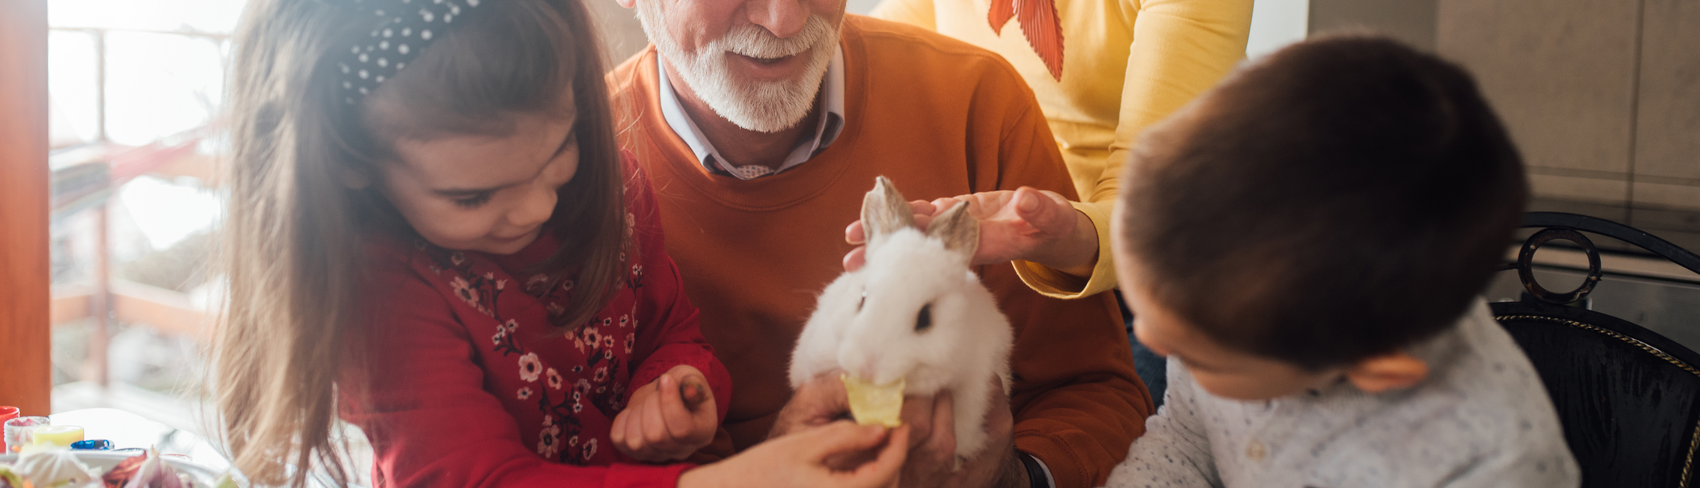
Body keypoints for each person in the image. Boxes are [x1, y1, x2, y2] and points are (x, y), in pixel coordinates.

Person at [212, 0, 907, 486]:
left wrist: (677, 385)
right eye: (472, 198)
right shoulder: (383, 290)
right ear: (354, 162)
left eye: (558, 156)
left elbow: (669, 327)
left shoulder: (607, 185)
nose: (537, 207)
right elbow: (471, 478)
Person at [606, 0, 1151, 486]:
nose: (785, 19)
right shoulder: (557, 179)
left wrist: (1014, 476)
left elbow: (1100, 395)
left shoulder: (975, 97)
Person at [1103, 35, 1580, 487]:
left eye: (1196, 357)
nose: (1147, 338)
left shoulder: (1488, 460)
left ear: (1376, 369)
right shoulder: (1220, 305)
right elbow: (1184, 444)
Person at [862, 0, 1252, 300]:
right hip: (1018, 253)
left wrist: (1067, 238)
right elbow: (874, 57)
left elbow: (1150, 198)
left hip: (1173, 267)